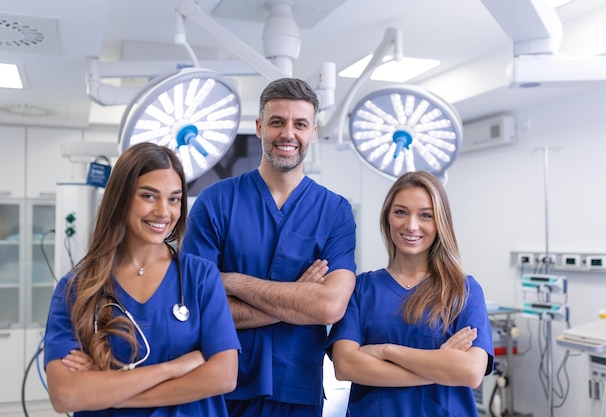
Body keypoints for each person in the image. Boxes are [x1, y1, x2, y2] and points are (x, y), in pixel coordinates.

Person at [182, 77, 357, 417]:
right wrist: (298, 298)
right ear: (260, 126)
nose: (288, 134)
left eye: (300, 124)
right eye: (277, 122)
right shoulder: (215, 202)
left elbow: (330, 307)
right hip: (219, 386)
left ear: (313, 132)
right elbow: (198, 306)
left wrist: (231, 282)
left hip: (297, 390)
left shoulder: (335, 211)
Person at [43, 142, 241, 416]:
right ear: (121, 199)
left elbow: (223, 376)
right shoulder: (77, 288)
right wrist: (169, 369)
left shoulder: (200, 277)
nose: (164, 211)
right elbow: (66, 395)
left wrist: (111, 394)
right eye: (149, 196)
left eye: (174, 199)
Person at [324, 170, 494, 417]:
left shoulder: (463, 290)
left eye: (425, 215)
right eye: (401, 212)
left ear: (440, 223)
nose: (411, 225)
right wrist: (440, 364)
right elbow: (345, 365)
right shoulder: (360, 289)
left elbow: (470, 372)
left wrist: (385, 351)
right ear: (388, 218)